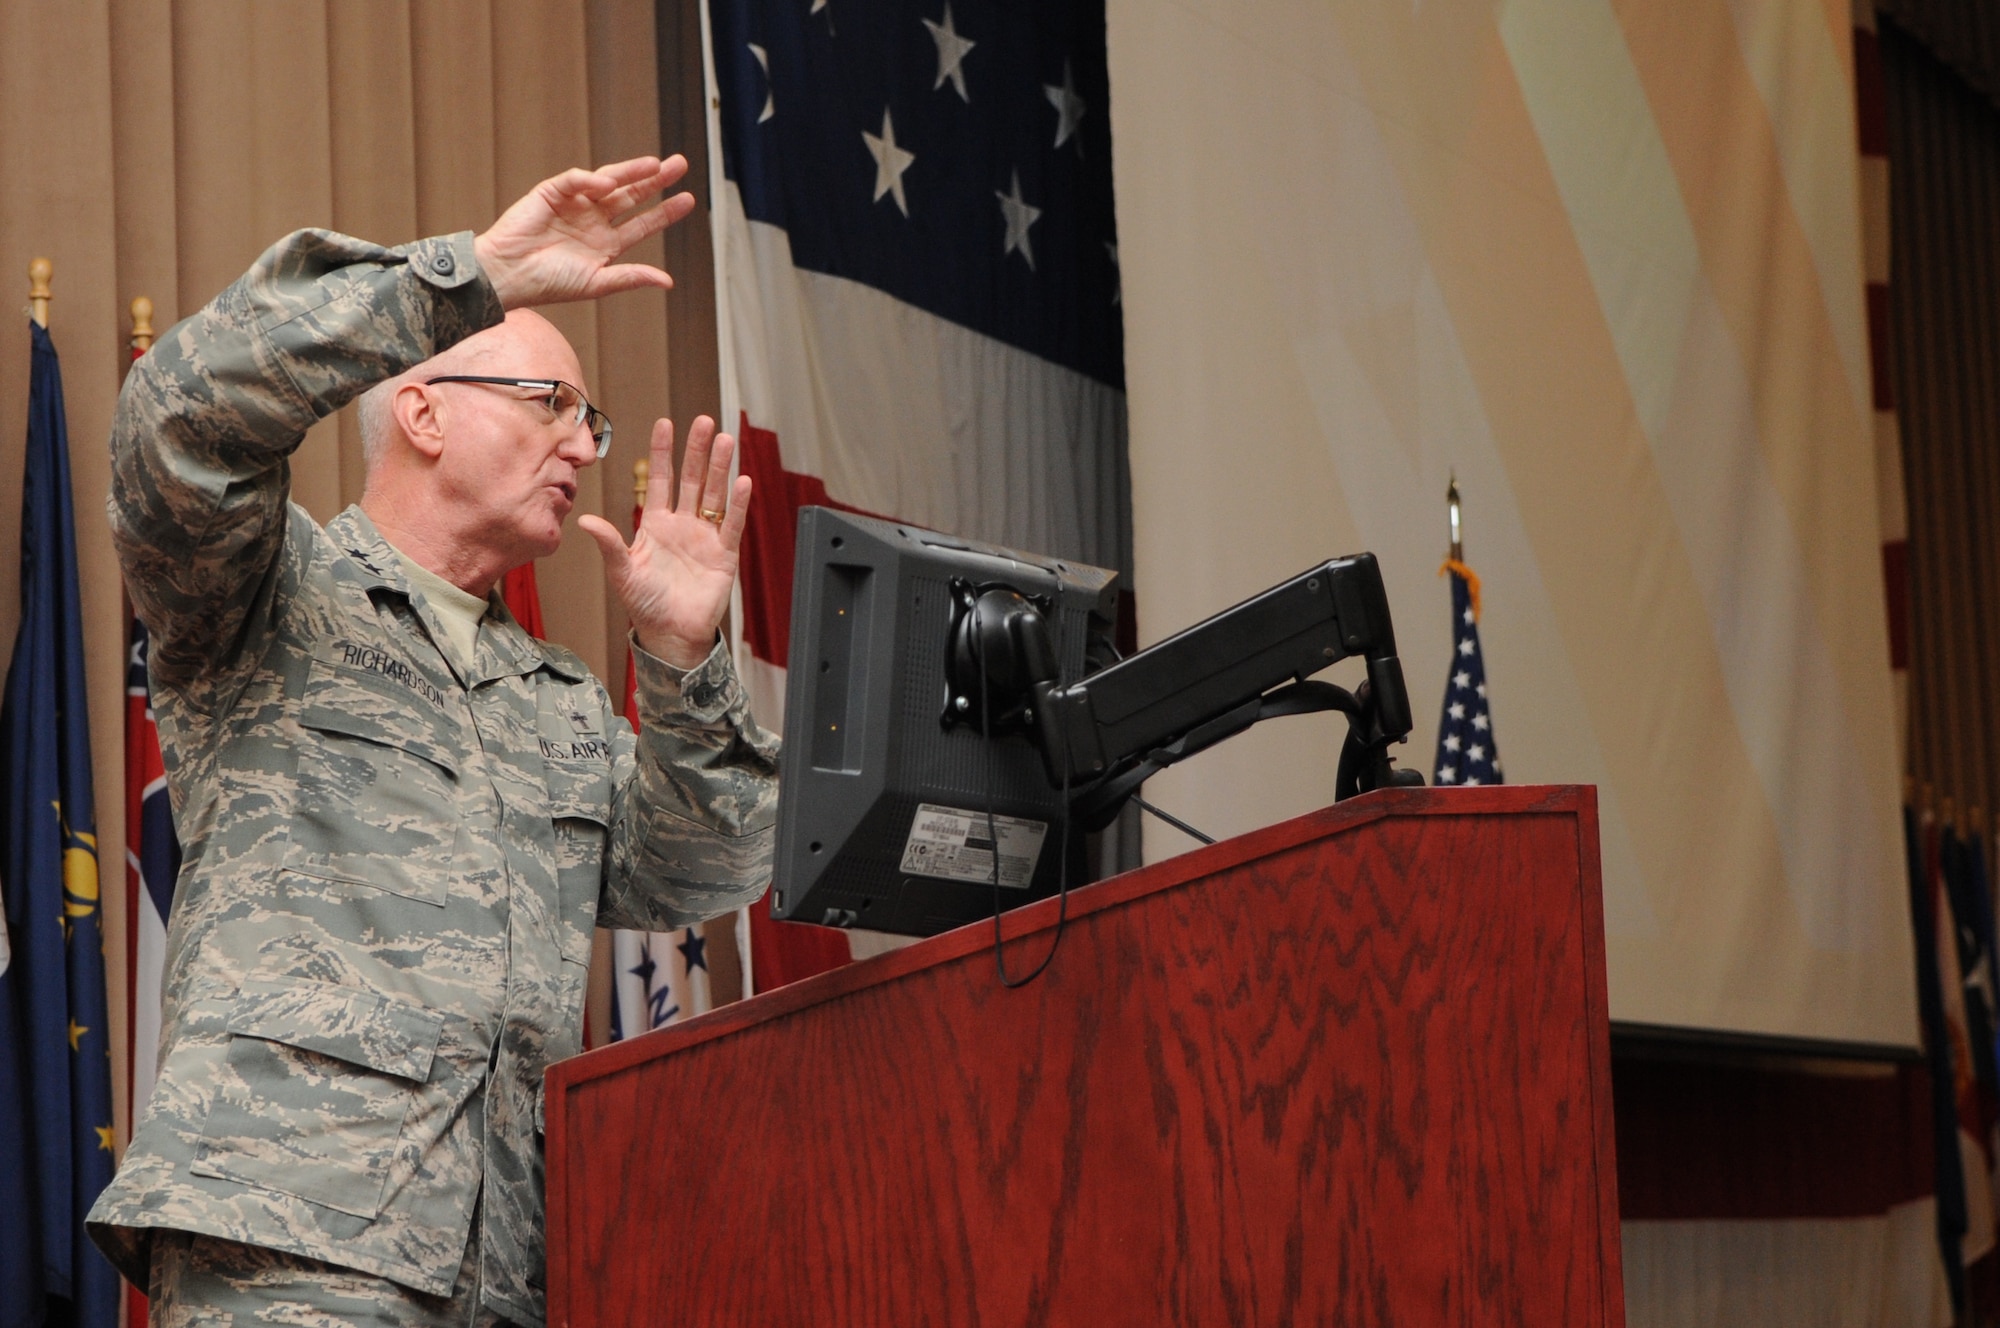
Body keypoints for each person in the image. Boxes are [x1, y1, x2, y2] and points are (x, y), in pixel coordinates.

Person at [84, 156, 777, 1328]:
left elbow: (694, 872)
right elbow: (175, 423)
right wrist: (475, 277)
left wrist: (679, 660)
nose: (583, 447)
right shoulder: (267, 593)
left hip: (509, 1272)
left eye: (590, 420)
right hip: (291, 1245)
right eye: (551, 404)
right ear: (421, 408)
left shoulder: (554, 695)